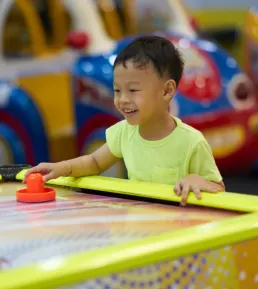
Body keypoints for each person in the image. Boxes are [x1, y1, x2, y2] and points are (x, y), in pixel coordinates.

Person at [24, 35, 225, 205]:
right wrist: (62, 168)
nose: (122, 100)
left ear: (167, 90)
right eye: (117, 90)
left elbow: (219, 189)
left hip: (177, 234)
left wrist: (195, 179)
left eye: (133, 90)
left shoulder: (191, 142)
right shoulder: (124, 132)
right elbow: (94, 162)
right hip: (139, 226)